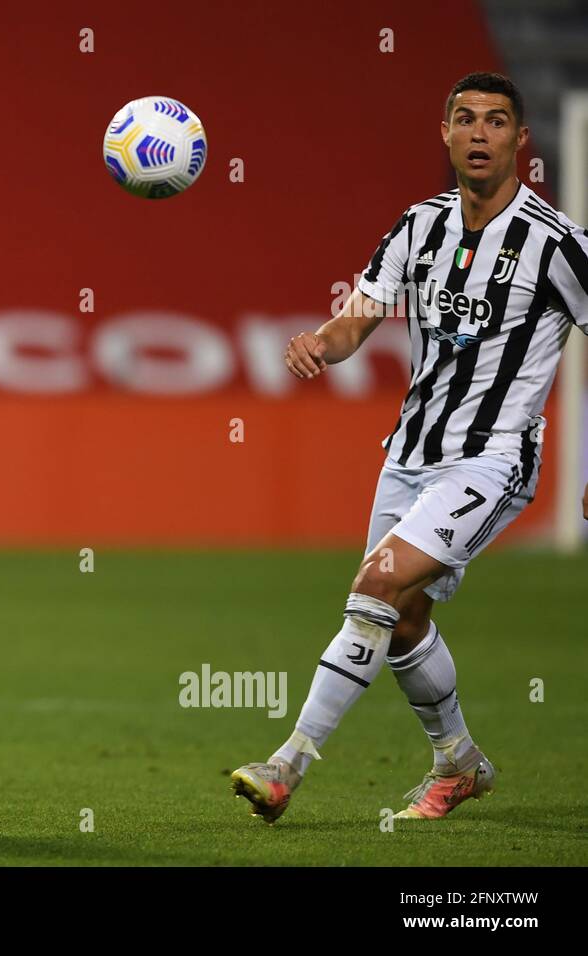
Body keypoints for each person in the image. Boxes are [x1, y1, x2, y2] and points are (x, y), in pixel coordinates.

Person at [231, 73, 588, 823]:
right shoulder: (416, 227)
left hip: (495, 458)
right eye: (466, 119)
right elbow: (356, 320)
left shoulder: (557, 245)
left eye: (496, 122)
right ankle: (458, 761)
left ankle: (286, 764)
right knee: (402, 618)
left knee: (377, 583)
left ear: (521, 140)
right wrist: (318, 346)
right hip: (411, 451)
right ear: (446, 133)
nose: (480, 133)